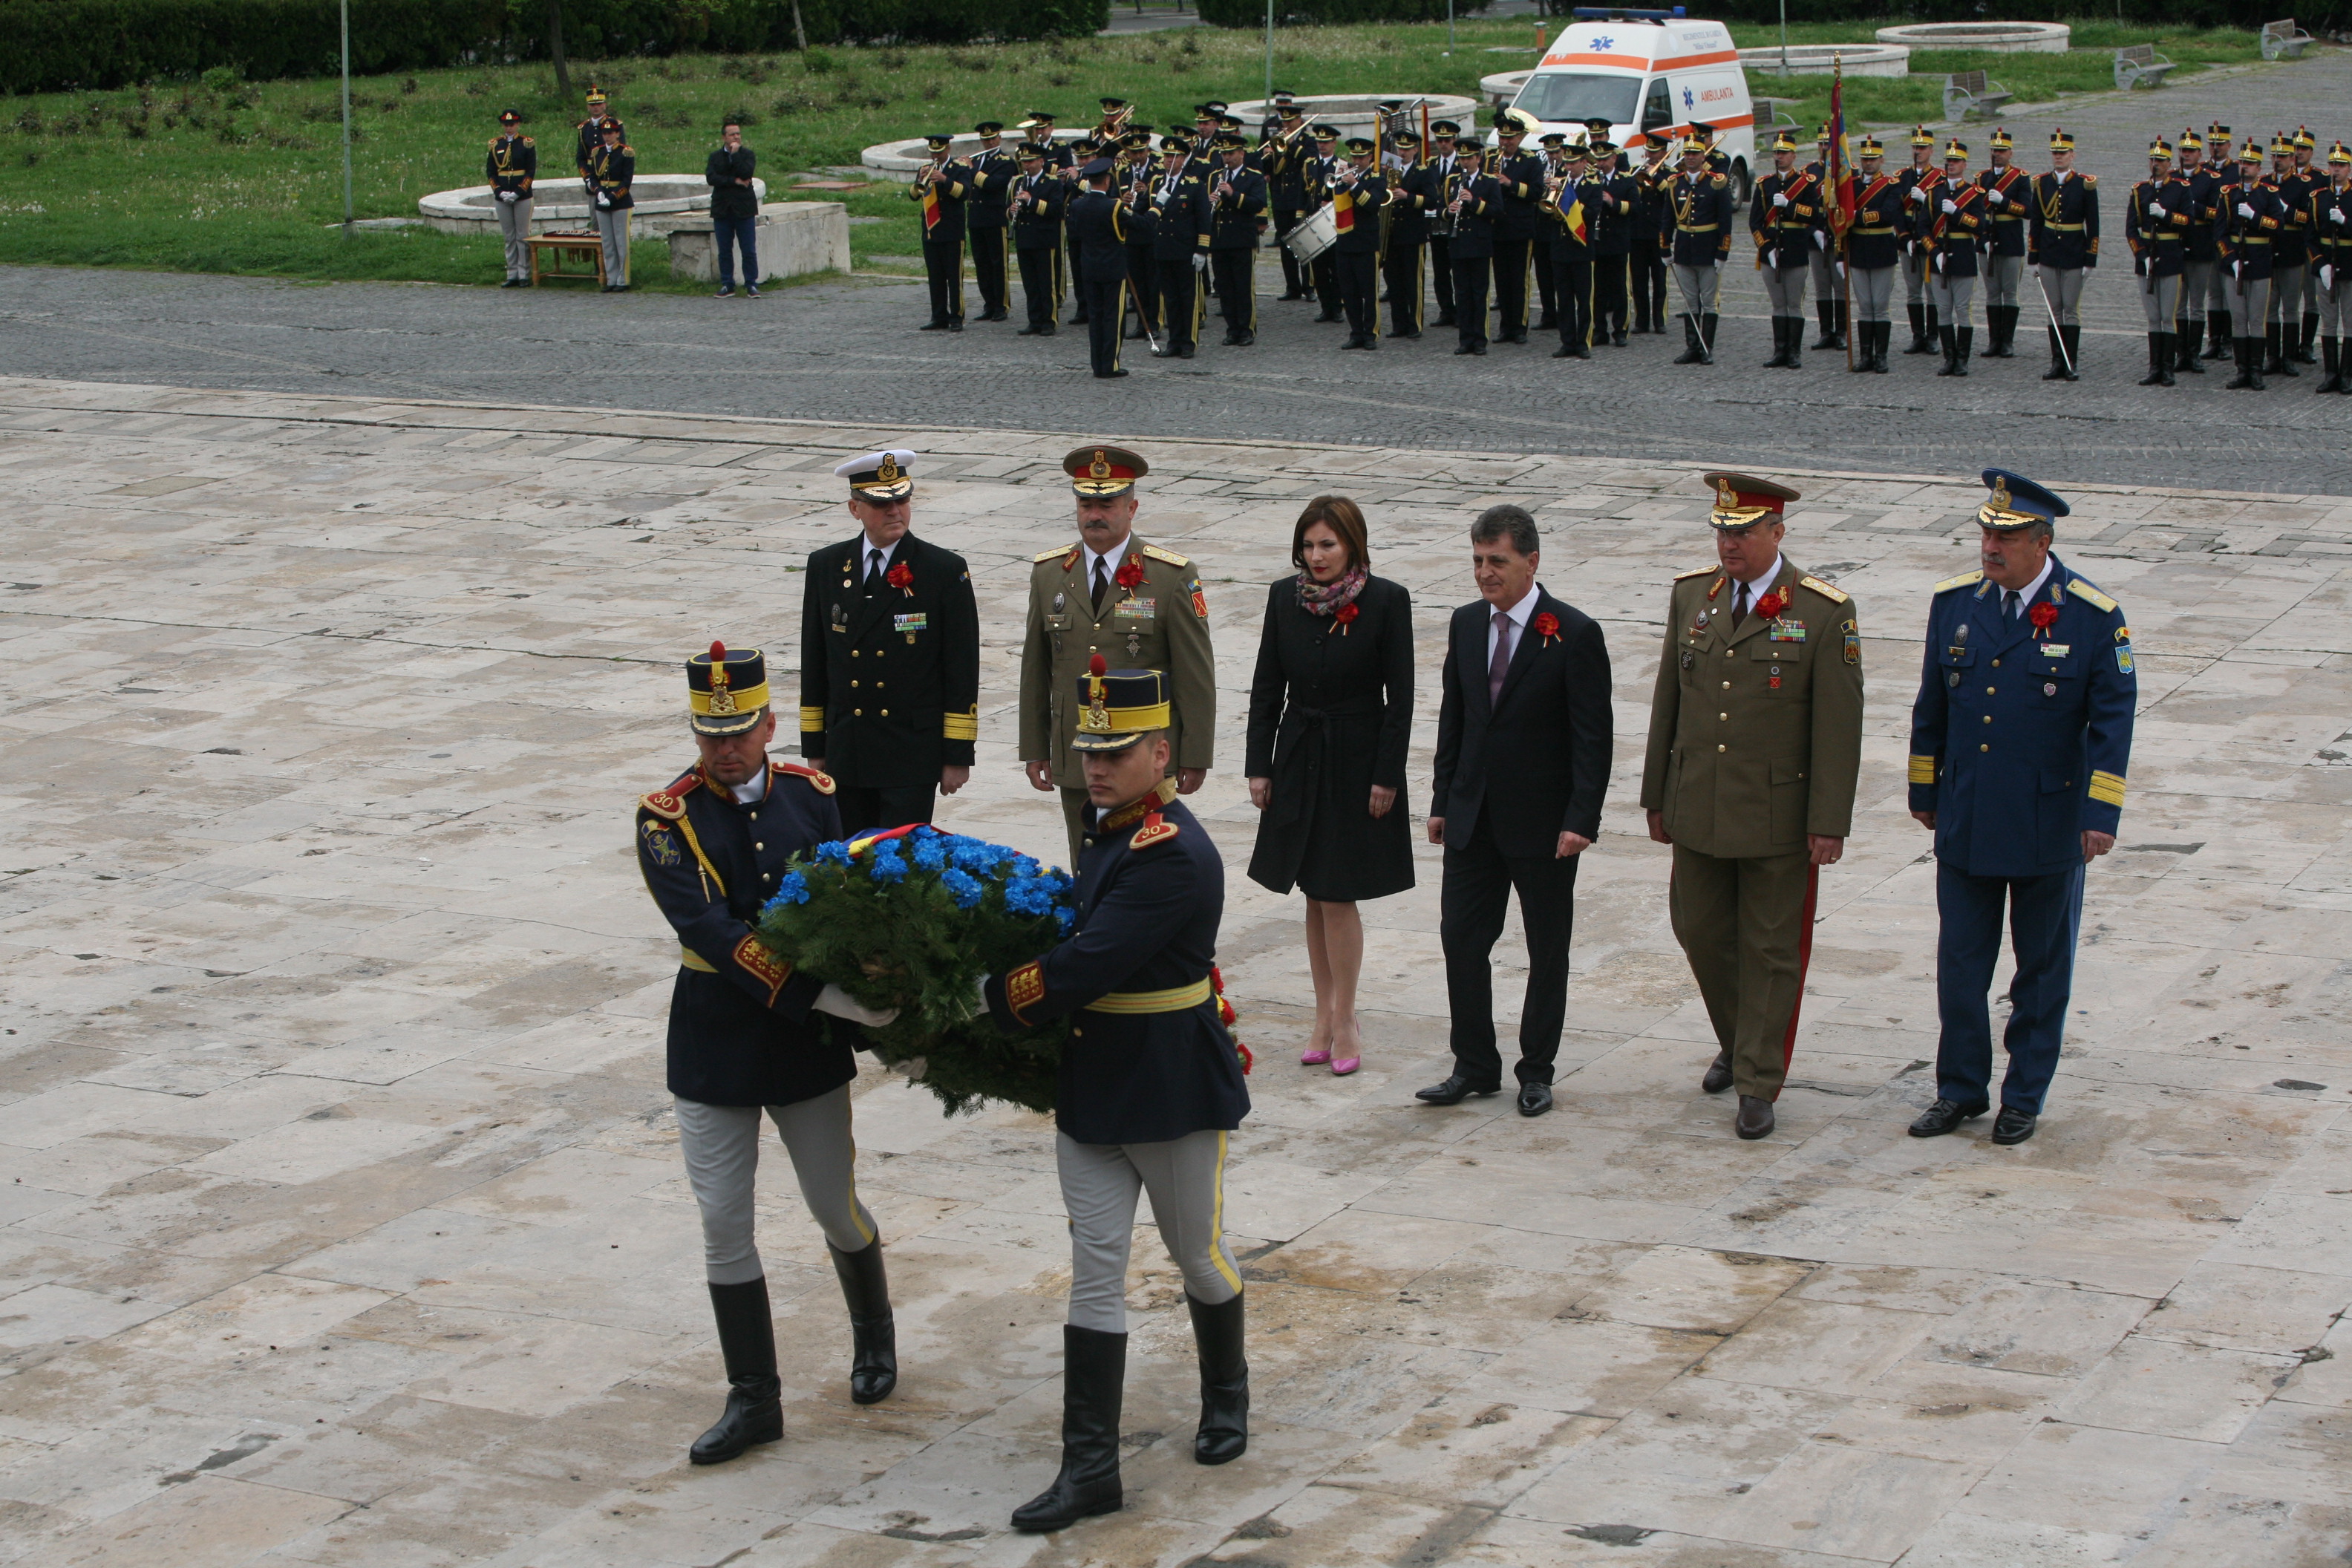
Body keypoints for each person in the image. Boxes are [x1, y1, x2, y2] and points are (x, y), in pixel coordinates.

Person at [985, 666, 1252, 1534]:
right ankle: (1089, 1466)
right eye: (1087, 748)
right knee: (1095, 1269)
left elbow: (1085, 964)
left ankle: (1227, 1393)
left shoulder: (1172, 854)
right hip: (1098, 1081)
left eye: (1115, 750)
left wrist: (987, 998)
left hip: (1170, 1086)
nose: (1094, 765)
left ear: (1161, 753)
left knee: (1197, 1257)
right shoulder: (1109, 831)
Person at [633, 643, 904, 1466]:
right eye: (711, 733)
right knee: (724, 1222)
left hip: (799, 1051)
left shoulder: (809, 796)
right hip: (717, 1039)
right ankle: (754, 1398)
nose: (725, 747)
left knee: (834, 1203)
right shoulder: (666, 820)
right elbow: (712, 933)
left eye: (740, 730)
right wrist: (829, 996)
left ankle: (874, 1335)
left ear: (768, 724)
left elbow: (840, 900)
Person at [1906, 471, 2134, 1147]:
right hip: (1969, 817)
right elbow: (1932, 708)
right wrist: (1925, 791)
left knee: (2040, 970)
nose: (1990, 548)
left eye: (2005, 537)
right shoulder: (1954, 605)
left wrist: (2101, 814)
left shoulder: (2092, 615)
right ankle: (1960, 1090)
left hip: (2047, 822)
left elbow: (2112, 722)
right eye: (1985, 534)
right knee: (1961, 968)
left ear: (2043, 541)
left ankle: (2024, 1094)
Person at [1640, 474, 1863, 1141]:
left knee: (1770, 949)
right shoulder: (1692, 598)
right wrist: (1656, 795)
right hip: (1699, 803)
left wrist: (1828, 821)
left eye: (1741, 532)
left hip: (1776, 816)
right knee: (1699, 930)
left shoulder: (1824, 612)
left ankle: (1759, 1079)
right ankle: (1739, 1040)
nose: (1728, 543)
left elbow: (1839, 727)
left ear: (1777, 533)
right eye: (1721, 530)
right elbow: (1667, 704)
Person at [1421, 506, 1613, 1119]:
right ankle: (1474, 1063)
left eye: (1496, 561)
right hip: (1472, 816)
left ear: (1532, 561)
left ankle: (1537, 1069)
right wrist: (1442, 798)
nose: (1484, 573)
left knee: (1546, 947)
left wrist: (1582, 817)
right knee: (1461, 940)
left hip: (1543, 823)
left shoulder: (1575, 634)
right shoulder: (1467, 623)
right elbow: (1456, 717)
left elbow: (1592, 737)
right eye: (1477, 561)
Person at [1245, 497, 1413, 1078]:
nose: (1317, 557)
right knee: (1314, 890)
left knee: (1339, 891)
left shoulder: (1388, 602)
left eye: (1328, 545)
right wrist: (1258, 766)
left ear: (1353, 547)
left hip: (1356, 758)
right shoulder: (1282, 598)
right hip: (1298, 755)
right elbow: (1266, 686)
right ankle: (1322, 1012)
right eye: (1309, 546)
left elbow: (1402, 699)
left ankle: (1346, 1016)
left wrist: (1386, 775)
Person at [1021, 447, 1215, 863]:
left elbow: (1194, 674)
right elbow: (1036, 670)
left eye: (1106, 504)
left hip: (1142, 754)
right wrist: (1035, 747)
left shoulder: (1171, 576)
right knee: (1086, 862)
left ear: (1131, 507)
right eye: (1085, 503)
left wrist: (1194, 754)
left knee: (1147, 858)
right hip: (1077, 747)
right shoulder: (1050, 573)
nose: (1095, 514)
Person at [800, 451, 981, 837]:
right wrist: (815, 746)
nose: (895, 511)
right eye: (881, 504)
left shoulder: (942, 570)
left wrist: (957, 755)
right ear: (855, 508)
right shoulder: (827, 566)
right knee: (848, 859)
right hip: (847, 749)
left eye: (902, 500)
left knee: (900, 864)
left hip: (910, 751)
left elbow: (961, 667)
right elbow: (815, 660)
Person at [2028, 127, 2098, 382]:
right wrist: (2033, 257)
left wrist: (2090, 259)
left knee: (2070, 309)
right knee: (2053, 309)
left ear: (2073, 155)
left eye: (2063, 153)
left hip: (2074, 252)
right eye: (2055, 153)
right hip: (2048, 252)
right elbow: (2036, 221)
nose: (2058, 157)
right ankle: (2057, 360)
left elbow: (2094, 224)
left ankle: (2071, 361)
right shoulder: (2042, 183)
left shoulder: (2084, 185)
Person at [1751, 131, 1819, 370]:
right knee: (1778, 303)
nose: (1778, 157)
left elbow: (1815, 214)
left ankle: (1794, 352)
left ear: (1793, 156)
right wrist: (1766, 248)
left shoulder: (1806, 183)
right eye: (1776, 153)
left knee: (1794, 303)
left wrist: (1790, 206)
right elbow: (1755, 222)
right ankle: (1779, 350)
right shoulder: (1764, 184)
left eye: (1783, 153)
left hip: (1796, 249)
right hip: (1771, 252)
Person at [2125, 138, 2189, 388]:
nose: (2156, 164)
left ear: (2169, 163)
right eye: (2153, 160)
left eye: (2161, 160)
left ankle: (2168, 368)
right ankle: (2154, 367)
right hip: (2147, 259)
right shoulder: (2140, 190)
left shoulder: (2181, 189)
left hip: (2171, 256)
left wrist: (2167, 216)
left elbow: (2188, 222)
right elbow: (2131, 229)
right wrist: (2142, 255)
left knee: (2167, 316)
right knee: (2153, 316)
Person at [1665, 131, 1733, 364]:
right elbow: (1668, 219)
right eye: (1687, 154)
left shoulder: (1716, 183)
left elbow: (1725, 222)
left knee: (1708, 301)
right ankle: (1692, 346)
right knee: (1689, 300)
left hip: (1708, 248)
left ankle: (1707, 347)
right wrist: (1665, 247)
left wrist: (1723, 252)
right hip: (1685, 250)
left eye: (1695, 153)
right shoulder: (1676, 183)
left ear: (1704, 156)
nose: (1691, 158)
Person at [2221, 140, 2283, 391]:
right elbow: (2220, 233)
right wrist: (2231, 259)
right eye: (2242, 163)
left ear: (2259, 168)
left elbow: (2278, 226)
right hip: (2235, 262)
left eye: (2250, 164)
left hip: (2259, 262)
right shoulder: (2228, 193)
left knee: (2256, 319)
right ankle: (2241, 370)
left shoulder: (2268, 193)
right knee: (2238, 319)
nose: (2245, 167)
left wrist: (2255, 218)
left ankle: (2256, 371)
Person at [1924, 139, 1987, 377]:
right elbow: (1923, 228)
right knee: (1942, 310)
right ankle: (1948, 358)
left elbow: (1981, 226)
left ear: (1964, 164)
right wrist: (1935, 253)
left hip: (1963, 257)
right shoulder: (1934, 191)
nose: (1951, 165)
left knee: (1962, 310)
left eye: (1956, 161)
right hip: (1939, 258)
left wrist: (1958, 214)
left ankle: (1962, 360)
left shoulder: (1973, 193)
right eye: (1948, 161)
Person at [1149, 132, 1214, 360]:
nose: (1169, 161)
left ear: (1184, 159)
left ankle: (1189, 342)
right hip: (1164, 249)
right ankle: (1174, 341)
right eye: (1166, 156)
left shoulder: (1195, 185)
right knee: (1170, 299)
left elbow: (1203, 220)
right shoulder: (1157, 183)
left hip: (1186, 250)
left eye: (1174, 157)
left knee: (1188, 299)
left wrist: (1202, 250)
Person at [1065, 160, 1128, 379]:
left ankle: (1097, 365)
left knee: (1096, 317)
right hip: (1112, 269)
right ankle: (1110, 364)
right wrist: (1157, 207)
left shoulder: (1077, 205)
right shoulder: (1115, 206)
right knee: (1113, 317)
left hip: (1089, 267)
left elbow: (1074, 233)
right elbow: (1143, 225)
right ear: (1108, 180)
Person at [1846, 137, 1902, 373]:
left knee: (1880, 305)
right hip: (1858, 246)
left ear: (1882, 160)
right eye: (1865, 159)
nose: (1868, 163)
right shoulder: (1851, 184)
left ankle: (1881, 356)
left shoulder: (1892, 185)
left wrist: (1857, 215)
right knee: (1864, 305)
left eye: (1873, 159)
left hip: (1882, 247)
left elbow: (1889, 214)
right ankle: (1865, 355)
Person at [1492, 111, 1546, 344]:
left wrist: (1510, 184)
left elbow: (1536, 192)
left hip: (1521, 228)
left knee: (1519, 280)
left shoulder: (1531, 160)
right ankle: (1506, 327)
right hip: (1497, 228)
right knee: (1502, 280)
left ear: (1520, 138)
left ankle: (1520, 326)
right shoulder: (1490, 157)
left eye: (1510, 139)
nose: (1506, 143)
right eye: (1503, 138)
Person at [1330, 136, 1389, 350]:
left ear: (1370, 157)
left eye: (1361, 157)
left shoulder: (1377, 179)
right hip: (1345, 242)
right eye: (1354, 156)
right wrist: (1340, 182)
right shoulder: (1345, 177)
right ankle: (1356, 333)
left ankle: (1370, 334)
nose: (1357, 160)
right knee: (1349, 293)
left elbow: (1373, 205)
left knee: (1368, 292)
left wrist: (1354, 185)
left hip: (1366, 243)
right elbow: (1334, 202)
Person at [1208, 133, 1267, 346]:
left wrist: (1233, 194)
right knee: (1225, 287)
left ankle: (1247, 329)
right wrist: (1210, 201)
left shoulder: (1253, 176)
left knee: (1243, 287)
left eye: (1231, 153)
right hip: (1221, 238)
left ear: (1241, 154)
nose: (1227, 158)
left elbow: (1257, 203)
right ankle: (1232, 328)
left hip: (1242, 238)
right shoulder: (1215, 176)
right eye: (1224, 153)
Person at [1973, 128, 2028, 358]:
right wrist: (1983, 238)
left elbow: (2028, 210)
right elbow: (1976, 213)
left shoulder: (2020, 178)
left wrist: (2004, 202)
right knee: (1992, 292)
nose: (1997, 154)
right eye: (1994, 150)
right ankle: (1994, 340)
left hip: (2011, 239)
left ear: (2010, 153)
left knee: (2010, 292)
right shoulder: (1982, 178)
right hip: (1987, 240)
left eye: (2002, 151)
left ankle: (2008, 341)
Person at [1443, 140, 1500, 356]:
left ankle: (1480, 340)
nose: (1465, 162)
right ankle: (1465, 339)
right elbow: (1440, 208)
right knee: (1462, 293)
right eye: (1462, 159)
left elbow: (1497, 211)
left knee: (1479, 293)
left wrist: (1474, 202)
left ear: (1478, 159)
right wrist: (1449, 211)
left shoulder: (1489, 182)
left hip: (1479, 244)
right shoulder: (1452, 181)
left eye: (1469, 158)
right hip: (1458, 243)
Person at [2171, 127, 2219, 376]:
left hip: (2200, 245)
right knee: (2179, 305)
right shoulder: (2172, 178)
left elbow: (2215, 213)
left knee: (2198, 304)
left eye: (2191, 151)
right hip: (2178, 246)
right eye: (2183, 150)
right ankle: (2180, 353)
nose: (2186, 155)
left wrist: (2193, 207)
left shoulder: (2211, 179)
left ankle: (2194, 353)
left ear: (2201, 154)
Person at [910, 134, 970, 331]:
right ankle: (938, 316)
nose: (936, 155)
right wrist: (920, 179)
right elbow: (913, 195)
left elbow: (964, 193)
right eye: (933, 151)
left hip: (952, 230)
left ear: (948, 149)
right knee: (935, 276)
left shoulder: (959, 169)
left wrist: (945, 180)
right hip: (931, 230)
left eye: (940, 151)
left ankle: (956, 317)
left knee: (954, 276)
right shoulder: (925, 169)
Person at [2268, 132, 2316, 376]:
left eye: (2283, 156)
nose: (2278, 160)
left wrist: (2286, 210)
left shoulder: (2303, 184)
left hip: (2292, 251)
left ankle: (2288, 356)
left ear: (2291, 159)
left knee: (2289, 308)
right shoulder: (2264, 183)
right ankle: (2272, 356)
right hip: (2268, 252)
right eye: (2275, 155)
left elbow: (2308, 218)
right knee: (2270, 306)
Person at [1012, 141, 1066, 336]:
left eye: (1031, 161)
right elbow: (1010, 209)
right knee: (1030, 284)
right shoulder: (1019, 182)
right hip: (1024, 238)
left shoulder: (1052, 183)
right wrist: (1011, 211)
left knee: (1046, 283)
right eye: (1024, 161)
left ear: (1041, 161)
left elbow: (1056, 210)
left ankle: (1048, 321)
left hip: (1044, 239)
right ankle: (1034, 320)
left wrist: (1032, 201)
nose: (1026, 165)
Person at [1803, 125, 1849, 351]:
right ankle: (1825, 332)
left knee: (1840, 287)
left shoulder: (1847, 173)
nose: (1824, 148)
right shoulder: (1808, 173)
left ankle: (1841, 332)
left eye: (1828, 144)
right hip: (1817, 238)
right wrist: (1813, 231)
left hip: (1839, 237)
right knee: (1822, 287)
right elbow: (1801, 208)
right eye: (1821, 144)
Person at [966, 120, 1017, 323]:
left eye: (992, 139)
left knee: (998, 263)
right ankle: (989, 303)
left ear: (999, 138)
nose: (988, 143)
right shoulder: (976, 160)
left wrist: (971, 171)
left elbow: (994, 184)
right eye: (984, 139)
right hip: (977, 217)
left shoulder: (1005, 162)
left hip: (995, 217)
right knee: (982, 263)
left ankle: (1001, 305)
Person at [1546, 140, 1594, 359]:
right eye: (1567, 163)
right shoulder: (1558, 183)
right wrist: (1551, 194)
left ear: (1584, 162)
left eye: (1573, 163)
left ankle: (1583, 342)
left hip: (1582, 248)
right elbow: (1546, 215)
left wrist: (1568, 200)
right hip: (1560, 248)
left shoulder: (1592, 185)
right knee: (1564, 299)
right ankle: (1567, 341)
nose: (1569, 167)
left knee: (1584, 299)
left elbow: (1592, 214)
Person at [1896, 125, 1941, 355]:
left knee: (1932, 292)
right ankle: (1917, 336)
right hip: (1909, 244)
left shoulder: (1940, 178)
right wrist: (1905, 239)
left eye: (1922, 148)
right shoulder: (1902, 177)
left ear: (1931, 150)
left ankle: (1933, 337)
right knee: (1913, 291)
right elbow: (1896, 212)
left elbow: (1942, 215)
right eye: (1915, 147)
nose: (1918, 152)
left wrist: (1926, 200)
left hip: (1930, 242)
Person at [705, 117, 760, 299]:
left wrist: (736, 155)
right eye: (732, 134)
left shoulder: (747, 155)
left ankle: (751, 284)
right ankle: (727, 284)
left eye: (738, 134)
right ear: (724, 137)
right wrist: (734, 181)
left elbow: (746, 172)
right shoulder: (715, 157)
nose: (736, 137)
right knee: (724, 250)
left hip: (744, 208)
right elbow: (712, 178)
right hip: (723, 209)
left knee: (748, 250)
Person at [2312, 140, 2351, 393]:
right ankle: (2330, 373)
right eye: (2333, 165)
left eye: (2341, 165)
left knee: (2349, 322)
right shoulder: (2319, 197)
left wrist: (2346, 222)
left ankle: (2347, 374)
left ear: (2349, 169)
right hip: (2326, 264)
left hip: (2350, 265)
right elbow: (2310, 236)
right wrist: (2320, 263)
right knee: (2328, 322)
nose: (2336, 170)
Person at [1382, 128, 1428, 339]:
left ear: (1416, 150)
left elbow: (1432, 200)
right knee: (1394, 282)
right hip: (1392, 234)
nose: (1403, 153)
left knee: (1413, 282)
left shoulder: (1422, 172)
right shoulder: (1390, 170)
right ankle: (1398, 324)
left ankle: (1415, 324)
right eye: (1400, 148)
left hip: (1412, 234)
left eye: (1407, 149)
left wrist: (1408, 196)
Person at [1119, 130, 1163, 345]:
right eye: (1133, 153)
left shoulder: (1158, 171)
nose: (1137, 157)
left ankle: (1155, 323)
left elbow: (1164, 199)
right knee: (1136, 283)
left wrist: (1146, 193)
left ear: (1148, 149)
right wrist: (1122, 199)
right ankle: (1141, 323)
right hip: (1131, 235)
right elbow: (1112, 199)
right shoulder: (1122, 172)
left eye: (1141, 151)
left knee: (1153, 283)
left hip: (1151, 233)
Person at [2204, 123, 2242, 360]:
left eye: (2220, 144)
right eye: (2213, 144)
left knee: (2228, 293)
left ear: (2229, 146)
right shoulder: (2201, 171)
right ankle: (2214, 339)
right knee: (2214, 292)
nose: (2216, 148)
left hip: (2228, 239)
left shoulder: (2236, 171)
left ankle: (2228, 340)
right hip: (2208, 239)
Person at [486, 110, 535, 288]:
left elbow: (530, 171)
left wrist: (518, 192)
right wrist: (499, 192)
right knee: (509, 236)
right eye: (506, 125)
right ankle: (512, 273)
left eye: (512, 124)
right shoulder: (495, 145)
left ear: (518, 125)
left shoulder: (526, 144)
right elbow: (491, 172)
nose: (509, 128)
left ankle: (524, 274)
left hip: (521, 195)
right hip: (502, 196)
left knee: (522, 236)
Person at [1632, 130, 1675, 334]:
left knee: (1659, 281)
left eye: (1654, 152)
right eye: (1648, 151)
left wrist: (1656, 176)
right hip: (1638, 233)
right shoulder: (1636, 171)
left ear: (1664, 153)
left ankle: (1659, 320)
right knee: (1638, 280)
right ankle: (1641, 321)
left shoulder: (1670, 174)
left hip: (1658, 233)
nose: (1650, 155)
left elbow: (1671, 196)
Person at [1422, 121, 1465, 328]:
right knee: (1440, 271)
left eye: (1447, 140)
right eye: (1439, 141)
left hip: (1457, 222)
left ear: (1454, 141)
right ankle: (1446, 309)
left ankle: (1461, 310)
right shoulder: (1431, 163)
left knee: (1457, 270)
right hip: (1435, 222)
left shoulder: (1462, 163)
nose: (1443, 144)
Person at [587, 118, 635, 293]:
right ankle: (611, 278)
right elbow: (593, 176)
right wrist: (598, 190)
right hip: (601, 201)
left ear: (617, 134)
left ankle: (623, 279)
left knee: (621, 242)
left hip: (620, 201)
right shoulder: (597, 153)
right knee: (607, 242)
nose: (607, 136)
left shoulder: (625, 153)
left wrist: (612, 197)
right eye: (605, 133)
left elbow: (626, 181)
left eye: (611, 133)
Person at [573, 85, 614, 192]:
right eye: (592, 104)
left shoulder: (614, 125)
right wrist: (587, 177)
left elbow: (619, 152)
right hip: (591, 175)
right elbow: (581, 157)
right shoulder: (584, 128)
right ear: (588, 107)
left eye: (599, 104)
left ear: (604, 105)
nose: (596, 107)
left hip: (610, 176)